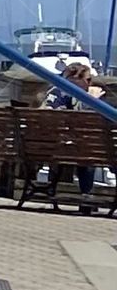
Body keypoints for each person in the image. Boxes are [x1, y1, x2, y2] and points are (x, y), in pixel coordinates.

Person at [46, 62, 97, 207]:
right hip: (71, 146)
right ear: (80, 79)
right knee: (90, 154)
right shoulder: (81, 97)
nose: (90, 83)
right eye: (88, 79)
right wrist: (93, 100)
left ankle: (51, 190)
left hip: (46, 146)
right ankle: (86, 195)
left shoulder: (53, 92)